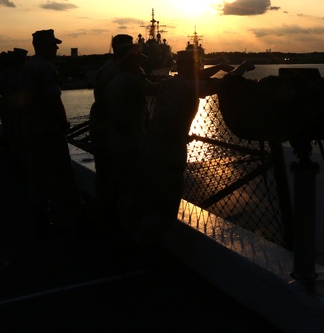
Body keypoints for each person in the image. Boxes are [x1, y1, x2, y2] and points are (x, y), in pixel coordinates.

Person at [130, 53, 253, 245]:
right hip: (169, 149)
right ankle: (150, 247)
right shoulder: (189, 87)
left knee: (150, 198)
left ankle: (138, 238)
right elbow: (227, 83)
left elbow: (197, 76)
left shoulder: (170, 82)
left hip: (149, 145)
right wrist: (244, 66)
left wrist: (219, 66)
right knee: (167, 201)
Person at [18, 29, 87, 238]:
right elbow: (53, 99)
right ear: (42, 46)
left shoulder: (28, 67)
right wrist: (63, 121)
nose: (57, 48)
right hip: (48, 132)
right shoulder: (45, 69)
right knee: (63, 177)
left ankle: (42, 220)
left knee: (38, 178)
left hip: (31, 130)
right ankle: (75, 223)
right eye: (52, 45)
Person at [102, 35, 159, 233]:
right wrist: (180, 83)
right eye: (137, 59)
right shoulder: (133, 80)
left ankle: (121, 230)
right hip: (132, 143)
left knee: (122, 188)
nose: (140, 61)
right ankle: (132, 236)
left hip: (118, 140)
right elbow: (154, 89)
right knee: (135, 191)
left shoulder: (115, 80)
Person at [88, 34, 134, 226]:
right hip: (111, 130)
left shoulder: (109, 69)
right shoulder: (115, 72)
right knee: (112, 175)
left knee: (107, 175)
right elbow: (110, 102)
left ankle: (106, 216)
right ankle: (111, 219)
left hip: (106, 128)